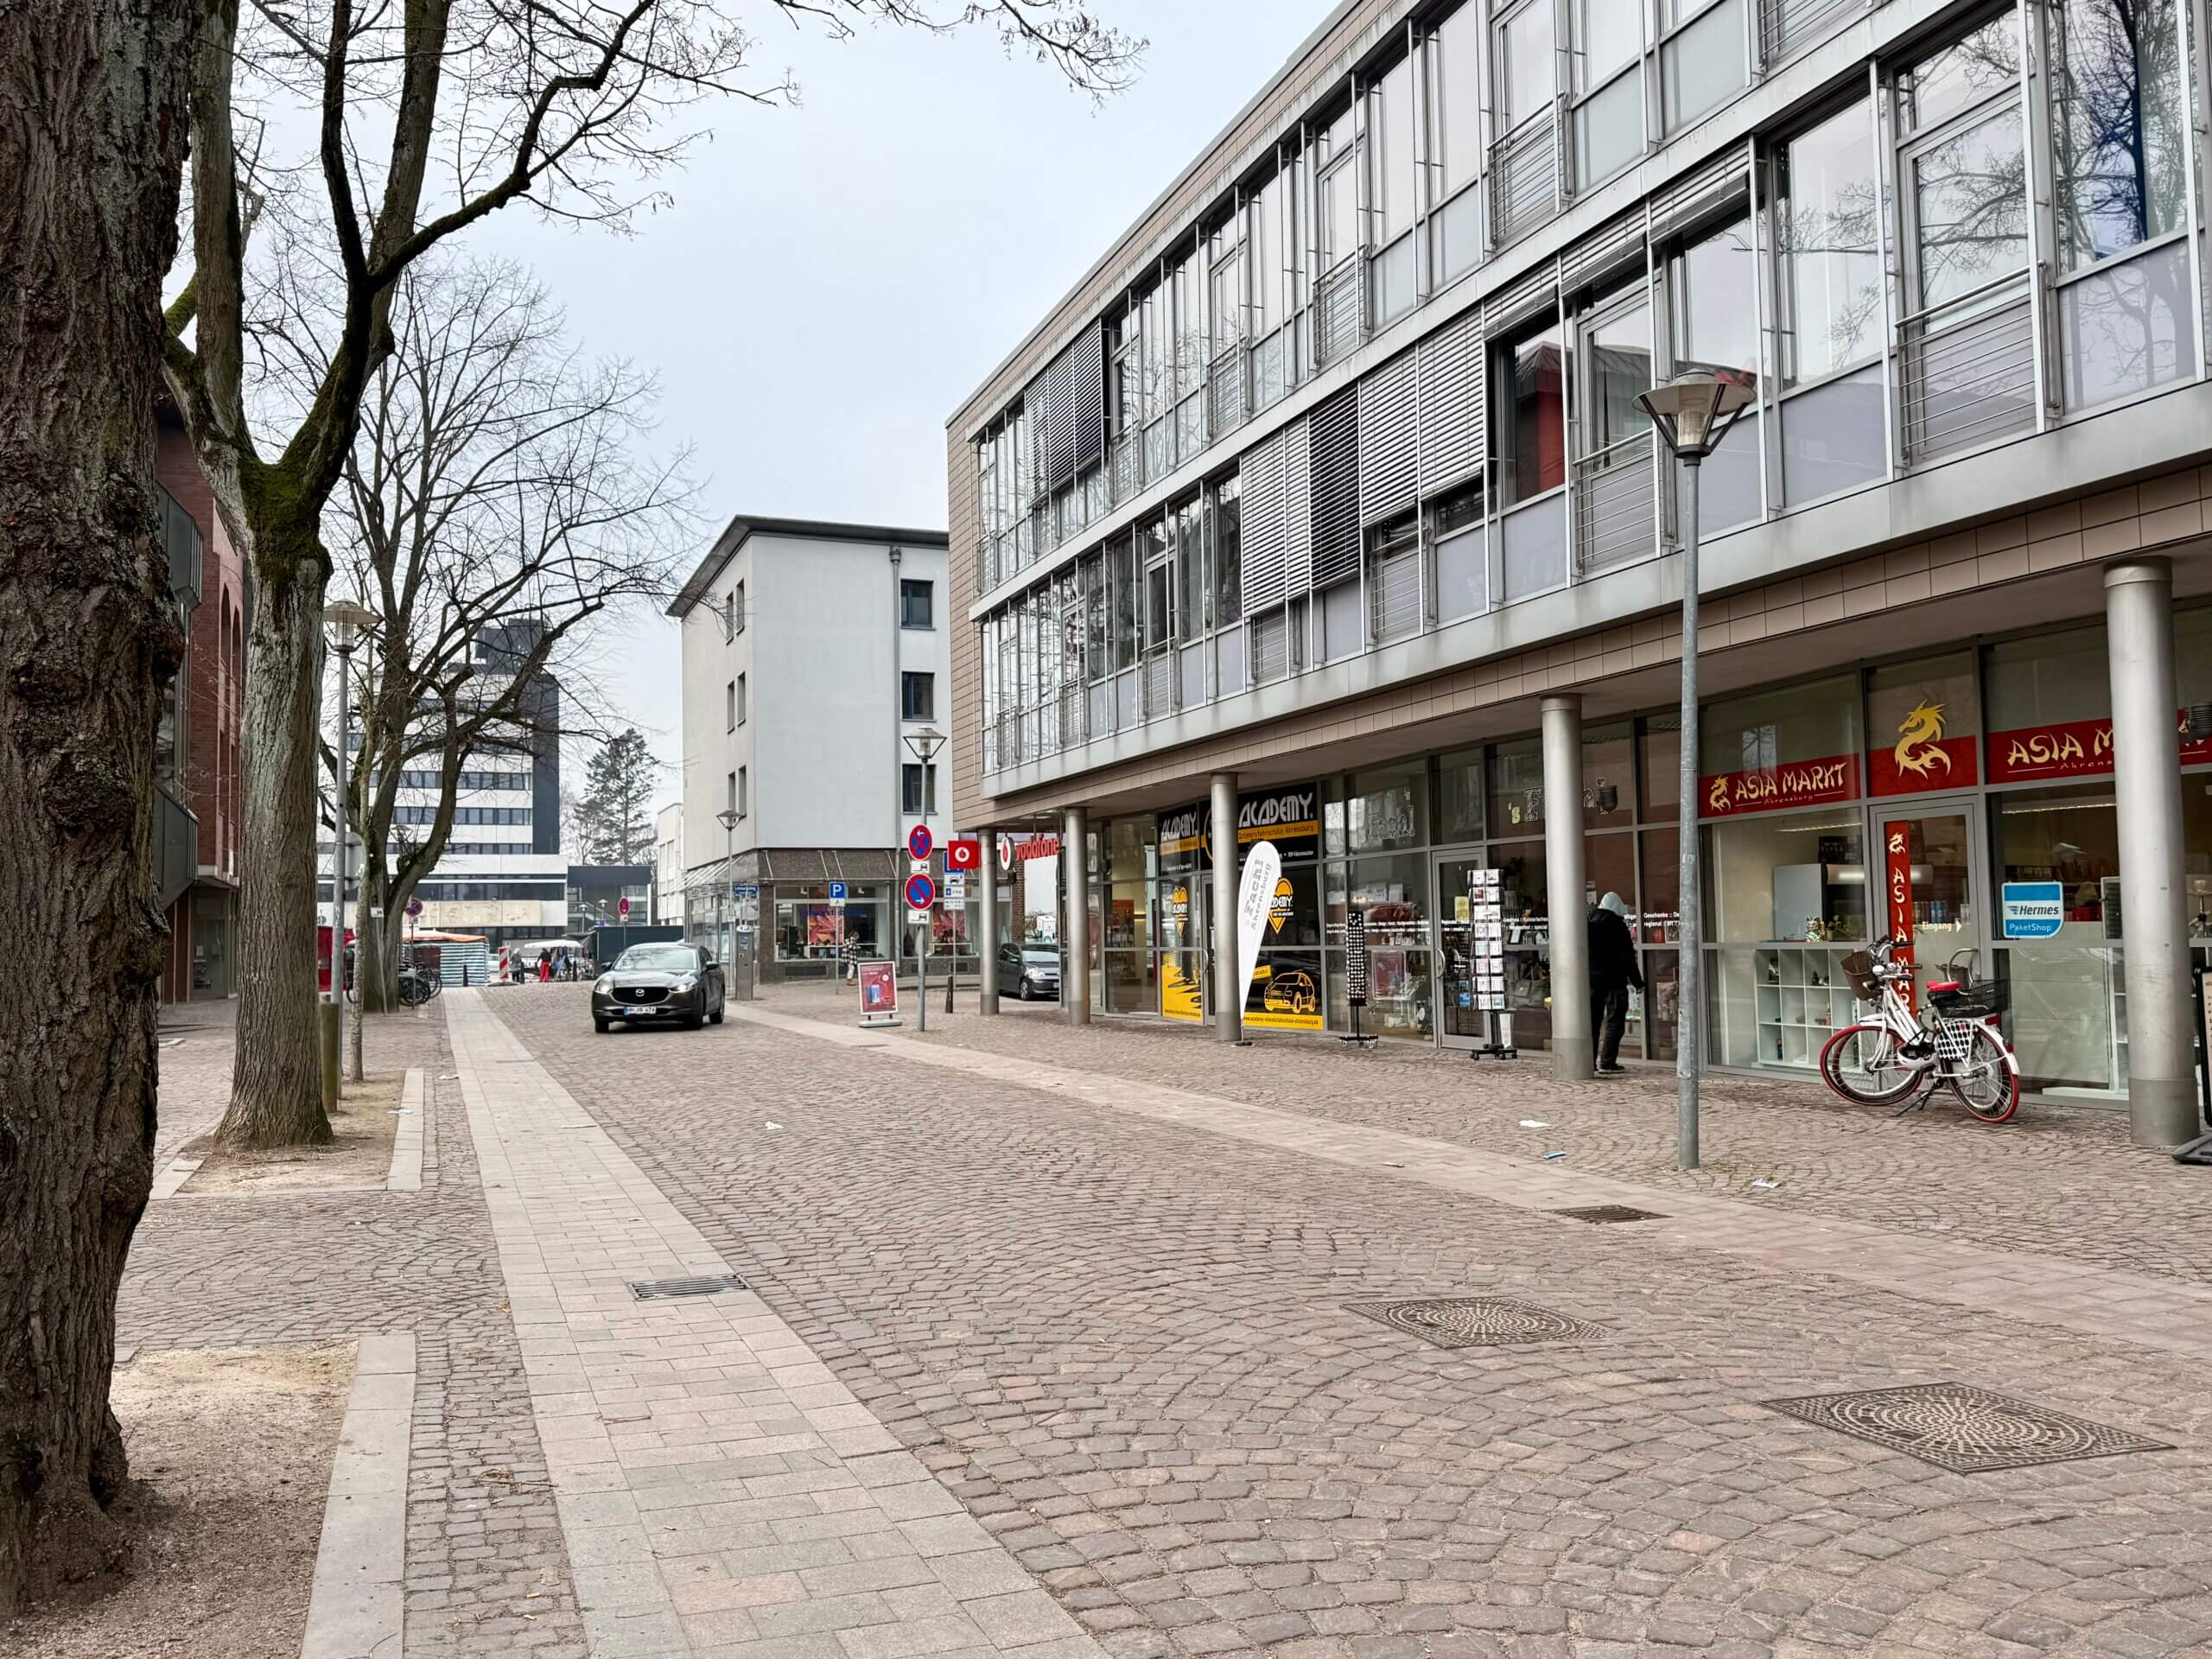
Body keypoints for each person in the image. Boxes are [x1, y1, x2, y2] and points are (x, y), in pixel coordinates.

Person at [1586, 892, 1643, 1076]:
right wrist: (1637, 982)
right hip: (1615, 981)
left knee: (1592, 1022)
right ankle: (1608, 1062)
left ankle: (1589, 1062)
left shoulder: (1589, 924)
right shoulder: (1618, 927)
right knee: (1615, 1021)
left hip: (1592, 981)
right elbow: (1628, 958)